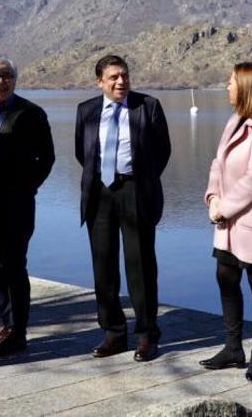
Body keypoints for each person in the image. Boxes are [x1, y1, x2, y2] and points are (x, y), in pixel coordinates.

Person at [74, 54, 171, 362]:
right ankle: (113, 333)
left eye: (125, 75)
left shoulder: (148, 106)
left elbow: (162, 151)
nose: (121, 81)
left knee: (140, 266)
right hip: (99, 194)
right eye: (113, 77)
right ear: (100, 81)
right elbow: (83, 152)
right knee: (103, 267)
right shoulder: (86, 110)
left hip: (135, 191)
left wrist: (139, 180)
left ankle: (146, 335)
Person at [0, 58, 55, 357]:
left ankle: (17, 334)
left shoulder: (31, 114)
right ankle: (8, 322)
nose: (0, 82)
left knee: (15, 267)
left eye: (6, 76)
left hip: (16, 207)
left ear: (15, 80)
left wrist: (26, 188)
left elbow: (46, 159)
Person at [201, 62, 252, 382]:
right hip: (226, 221)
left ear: (246, 87)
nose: (227, 87)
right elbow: (218, 164)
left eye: (231, 82)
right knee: (225, 277)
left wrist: (225, 207)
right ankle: (233, 347)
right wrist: (212, 198)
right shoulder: (234, 121)